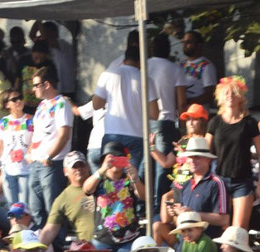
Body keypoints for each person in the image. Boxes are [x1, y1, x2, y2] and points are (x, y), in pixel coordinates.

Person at [91, 42, 160, 175]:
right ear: (140, 61)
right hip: (136, 135)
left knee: (110, 177)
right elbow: (154, 114)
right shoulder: (146, 79)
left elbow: (96, 104)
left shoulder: (108, 74)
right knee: (131, 178)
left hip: (112, 133)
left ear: (123, 60)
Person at [209, 76, 260, 230]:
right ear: (220, 96)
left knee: (238, 231)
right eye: (226, 93)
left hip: (243, 180)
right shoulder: (215, 122)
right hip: (220, 180)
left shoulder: (249, 122)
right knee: (223, 228)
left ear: (240, 97)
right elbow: (206, 153)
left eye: (234, 93)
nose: (230, 96)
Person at [84, 141, 145, 252]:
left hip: (128, 238)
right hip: (102, 239)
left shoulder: (130, 178)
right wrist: (101, 170)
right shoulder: (99, 178)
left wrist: (135, 178)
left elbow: (143, 196)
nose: (115, 161)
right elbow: (86, 189)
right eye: (111, 157)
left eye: (119, 157)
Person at [158, 137, 230, 244]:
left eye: (197, 157)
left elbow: (223, 220)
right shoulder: (186, 185)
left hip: (207, 249)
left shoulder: (217, 183)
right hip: (185, 249)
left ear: (208, 159)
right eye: (189, 157)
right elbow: (181, 222)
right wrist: (177, 213)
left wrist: (192, 213)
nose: (192, 161)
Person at [27, 65, 73, 230]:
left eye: (36, 85)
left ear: (47, 84)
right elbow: (37, 133)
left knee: (52, 208)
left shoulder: (62, 104)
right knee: (36, 207)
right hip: (36, 161)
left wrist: (49, 156)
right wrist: (30, 152)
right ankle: (41, 243)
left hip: (53, 163)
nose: (33, 89)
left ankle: (57, 246)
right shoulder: (41, 106)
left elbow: (64, 134)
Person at [148, 33, 188, 199]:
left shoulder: (143, 66)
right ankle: (159, 204)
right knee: (162, 166)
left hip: (144, 121)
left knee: (146, 163)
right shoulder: (175, 68)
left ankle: (143, 206)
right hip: (165, 120)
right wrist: (184, 128)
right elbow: (181, 103)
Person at [38, 151, 96, 247]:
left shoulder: (101, 184)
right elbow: (50, 229)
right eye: (74, 166)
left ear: (88, 167)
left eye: (82, 165)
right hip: (87, 249)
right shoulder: (63, 198)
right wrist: (37, 250)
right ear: (65, 171)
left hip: (110, 241)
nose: (79, 169)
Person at [0, 91, 33, 208]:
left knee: (24, 208)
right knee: (12, 207)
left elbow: (35, 142)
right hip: (7, 170)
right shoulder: (3, 122)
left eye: (20, 97)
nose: (19, 101)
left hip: (26, 170)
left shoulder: (31, 120)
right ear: (7, 105)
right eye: (14, 99)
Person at [31, 21, 76, 96]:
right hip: (55, 89)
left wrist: (39, 19)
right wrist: (38, 19)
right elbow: (32, 35)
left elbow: (45, 38)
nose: (42, 36)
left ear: (55, 33)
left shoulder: (63, 45)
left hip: (67, 89)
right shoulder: (46, 47)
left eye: (46, 33)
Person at [179, 30, 216, 108]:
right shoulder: (181, 65)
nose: (184, 45)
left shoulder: (206, 66)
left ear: (199, 45)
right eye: (183, 42)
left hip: (198, 113)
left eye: (188, 42)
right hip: (181, 113)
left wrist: (189, 102)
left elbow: (210, 94)